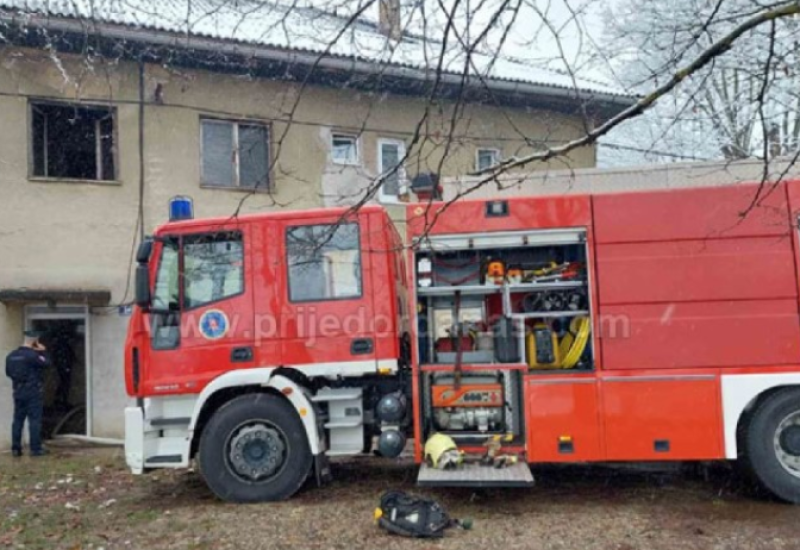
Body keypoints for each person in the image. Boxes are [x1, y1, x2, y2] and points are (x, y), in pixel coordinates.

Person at [5, 330, 51, 457]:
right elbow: (47, 363)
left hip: (18, 391)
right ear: (35, 341)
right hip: (33, 391)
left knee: (18, 420)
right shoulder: (33, 356)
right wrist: (43, 351)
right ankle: (35, 449)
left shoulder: (11, 356)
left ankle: (16, 448)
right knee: (34, 420)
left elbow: (8, 373)